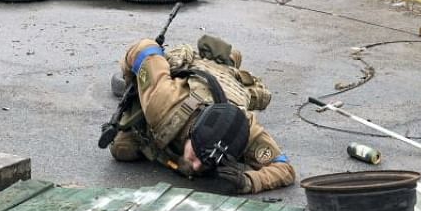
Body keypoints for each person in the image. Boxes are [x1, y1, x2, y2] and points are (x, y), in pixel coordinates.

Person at [109, 34, 295, 194]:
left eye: (207, 160)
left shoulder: (245, 129)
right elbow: (144, 49)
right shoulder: (163, 102)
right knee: (121, 148)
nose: (196, 166)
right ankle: (221, 59)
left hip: (231, 85)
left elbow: (284, 169)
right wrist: (132, 86)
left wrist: (248, 181)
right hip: (192, 80)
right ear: (191, 133)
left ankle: (228, 61)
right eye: (196, 155)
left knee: (126, 147)